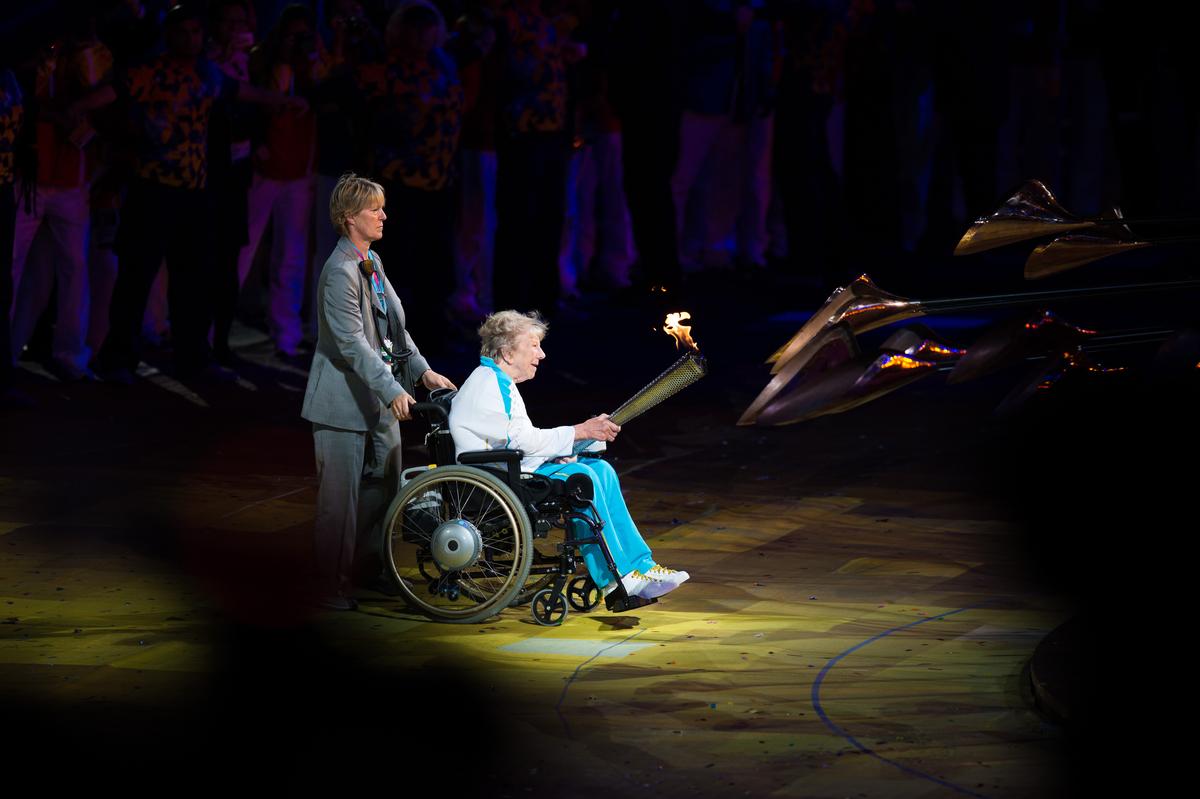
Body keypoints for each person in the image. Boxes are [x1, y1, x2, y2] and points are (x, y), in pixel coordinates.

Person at [448, 309, 689, 600]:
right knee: (581, 477)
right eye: (534, 345)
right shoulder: (489, 384)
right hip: (500, 480)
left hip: (512, 469)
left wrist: (562, 450)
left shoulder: (497, 381)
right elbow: (521, 441)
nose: (542, 354)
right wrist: (580, 432)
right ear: (508, 353)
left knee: (602, 470)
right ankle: (617, 578)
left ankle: (641, 565)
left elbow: (515, 441)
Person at [302, 172, 456, 611]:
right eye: (374, 208)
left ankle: (369, 571)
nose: (384, 215)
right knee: (340, 505)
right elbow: (352, 343)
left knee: (383, 492)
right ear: (350, 217)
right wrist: (392, 389)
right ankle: (328, 586)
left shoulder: (373, 263)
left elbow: (393, 331)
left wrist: (423, 373)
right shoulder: (339, 272)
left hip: (380, 402)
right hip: (342, 404)